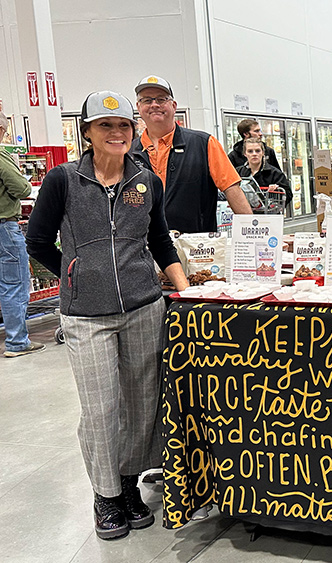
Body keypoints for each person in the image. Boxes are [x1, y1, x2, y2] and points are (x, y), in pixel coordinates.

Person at [25, 91, 190, 540]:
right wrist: (75, 275)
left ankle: (129, 484)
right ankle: (105, 495)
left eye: (123, 126)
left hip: (143, 308)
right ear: (87, 132)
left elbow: (160, 242)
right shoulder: (63, 181)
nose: (117, 133)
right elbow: (36, 242)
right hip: (85, 315)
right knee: (100, 408)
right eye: (105, 126)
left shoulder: (145, 181)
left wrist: (187, 291)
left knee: (141, 406)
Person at [129, 75, 251, 233]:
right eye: (147, 100)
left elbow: (232, 189)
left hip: (198, 249)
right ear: (138, 107)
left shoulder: (204, 144)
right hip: (145, 250)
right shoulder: (129, 153)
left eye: (161, 99)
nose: (154, 105)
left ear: (173, 105)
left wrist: (254, 237)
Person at [0, 118, 44, 358]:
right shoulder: (0, 155)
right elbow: (22, 189)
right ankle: (17, 342)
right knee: (14, 285)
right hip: (3, 228)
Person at [235, 137, 291, 210]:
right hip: (244, 215)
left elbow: (288, 195)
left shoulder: (275, 173)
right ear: (245, 154)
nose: (254, 154)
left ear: (263, 153)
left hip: (268, 216)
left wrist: (276, 192)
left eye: (257, 151)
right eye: (250, 151)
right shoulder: (238, 172)